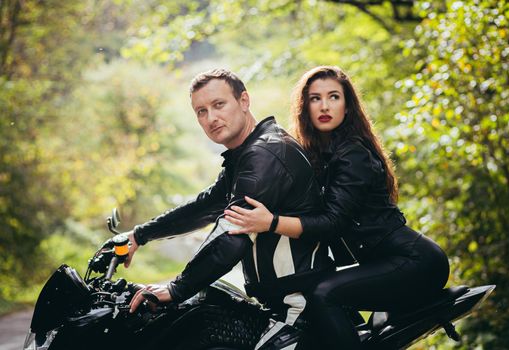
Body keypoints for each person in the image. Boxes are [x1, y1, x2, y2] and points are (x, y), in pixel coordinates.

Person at [224, 66, 450, 349]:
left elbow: (332, 222)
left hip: (415, 262)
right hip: (383, 261)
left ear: (348, 105)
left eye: (334, 97)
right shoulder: (321, 153)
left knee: (324, 293)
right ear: (305, 106)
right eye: (315, 98)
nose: (325, 106)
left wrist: (270, 222)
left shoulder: (352, 153)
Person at [122, 68, 332, 348]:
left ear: (244, 101)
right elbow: (208, 205)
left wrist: (176, 288)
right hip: (280, 305)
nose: (211, 118)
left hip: (300, 310)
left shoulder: (264, 155)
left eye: (219, 105)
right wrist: (139, 235)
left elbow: (231, 236)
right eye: (201, 111)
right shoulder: (248, 153)